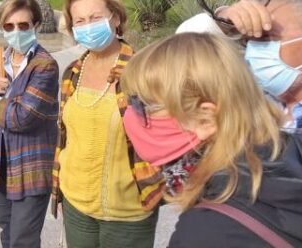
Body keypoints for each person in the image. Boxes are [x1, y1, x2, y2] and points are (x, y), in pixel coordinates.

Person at [121, 32, 302, 246]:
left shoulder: (205, 233)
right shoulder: (289, 149)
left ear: (205, 119)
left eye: (141, 105)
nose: (129, 113)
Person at [51, 0, 162, 248]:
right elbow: (66, 136)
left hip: (128, 212)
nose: (88, 26)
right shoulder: (73, 72)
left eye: (95, 17)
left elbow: (165, 134)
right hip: (75, 204)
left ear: (115, 18)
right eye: (80, 21)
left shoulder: (142, 69)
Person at [0, 0, 59, 248]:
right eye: (9, 26)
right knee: (6, 228)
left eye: (23, 25)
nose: (16, 31)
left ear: (35, 26)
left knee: (23, 239)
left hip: (31, 164)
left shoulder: (45, 66)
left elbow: (22, 118)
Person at [177, 0, 302, 129]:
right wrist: (222, 24)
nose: (253, 51)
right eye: (246, 41)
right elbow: (182, 62)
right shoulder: (250, 97)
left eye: (265, 37)